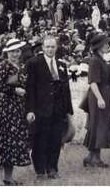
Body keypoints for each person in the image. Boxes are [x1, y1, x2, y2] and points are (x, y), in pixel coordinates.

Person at [26, 36, 74, 180]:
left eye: (53, 47)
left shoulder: (61, 65)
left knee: (55, 140)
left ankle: (52, 168)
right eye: (47, 47)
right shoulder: (33, 63)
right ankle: (40, 171)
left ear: (56, 47)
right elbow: (30, 88)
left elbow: (66, 89)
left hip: (58, 110)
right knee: (40, 141)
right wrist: (30, 110)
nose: (50, 49)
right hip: (40, 110)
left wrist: (68, 110)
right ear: (42, 48)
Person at [0, 38, 31, 186]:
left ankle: (8, 178)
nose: (15, 54)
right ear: (7, 52)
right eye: (12, 51)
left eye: (17, 51)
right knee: (4, 142)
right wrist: (14, 90)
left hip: (17, 108)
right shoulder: (3, 65)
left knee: (12, 143)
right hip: (6, 108)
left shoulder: (18, 65)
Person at [82, 34, 110, 168]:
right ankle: (95, 158)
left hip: (103, 93)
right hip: (98, 95)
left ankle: (91, 157)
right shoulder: (95, 60)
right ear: (99, 46)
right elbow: (93, 82)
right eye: (105, 43)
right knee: (98, 125)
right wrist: (100, 98)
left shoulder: (101, 59)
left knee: (99, 124)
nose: (108, 45)